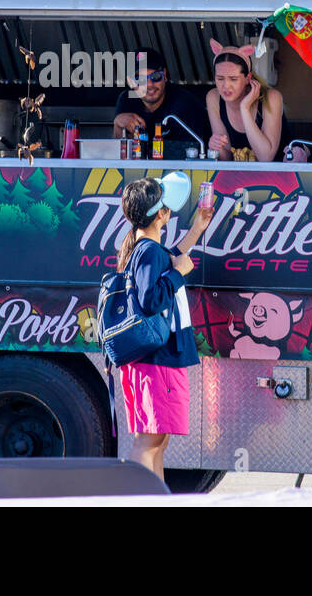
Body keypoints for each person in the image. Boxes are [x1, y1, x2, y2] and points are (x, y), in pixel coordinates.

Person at [116, 174, 212, 480]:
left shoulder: (149, 249)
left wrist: (198, 227)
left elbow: (171, 258)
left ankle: (155, 496)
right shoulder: (148, 251)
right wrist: (178, 275)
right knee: (151, 438)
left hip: (157, 358)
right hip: (157, 358)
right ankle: (134, 497)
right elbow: (150, 299)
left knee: (158, 437)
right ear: (162, 214)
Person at [113, 47, 209, 151]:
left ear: (165, 75)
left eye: (155, 76)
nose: (149, 85)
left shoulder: (184, 104)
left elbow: (188, 157)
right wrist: (118, 124)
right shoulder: (127, 100)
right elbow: (119, 155)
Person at [206, 40, 284, 163]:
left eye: (233, 79)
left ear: (248, 78)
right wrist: (215, 147)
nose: (226, 86)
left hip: (280, 177)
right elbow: (226, 158)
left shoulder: (271, 98)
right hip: (238, 179)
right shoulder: (213, 97)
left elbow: (265, 157)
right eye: (220, 78)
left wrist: (245, 109)